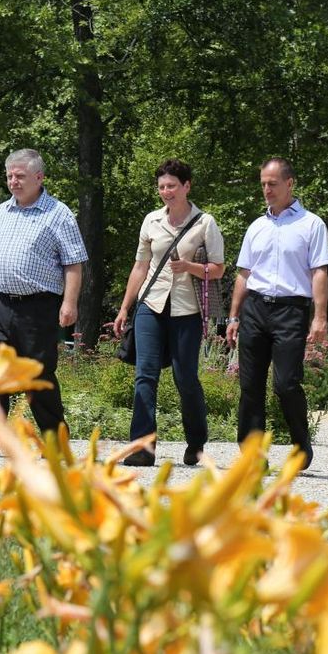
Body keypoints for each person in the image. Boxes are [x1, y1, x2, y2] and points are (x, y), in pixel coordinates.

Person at [0, 149, 88, 456]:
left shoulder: (58, 214)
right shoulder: (0, 213)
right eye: (9, 176)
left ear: (39, 177)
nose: (13, 182)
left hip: (38, 307)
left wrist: (69, 304)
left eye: (20, 176)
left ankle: (55, 441)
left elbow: (74, 264)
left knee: (37, 374)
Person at [112, 159, 225, 467]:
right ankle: (142, 448)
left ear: (187, 186)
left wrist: (189, 267)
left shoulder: (205, 223)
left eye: (172, 186)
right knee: (144, 375)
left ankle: (196, 440)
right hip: (150, 306)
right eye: (162, 186)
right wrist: (125, 308)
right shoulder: (151, 221)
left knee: (184, 377)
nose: (166, 192)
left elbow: (218, 269)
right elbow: (140, 267)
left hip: (187, 310)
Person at [225, 158, 328, 467]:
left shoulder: (311, 224)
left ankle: (301, 447)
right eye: (263, 184)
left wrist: (320, 316)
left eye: (272, 184)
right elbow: (244, 274)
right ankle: (252, 455)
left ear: (289, 183)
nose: (266, 190)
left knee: (285, 384)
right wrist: (233, 316)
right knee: (250, 384)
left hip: (291, 310)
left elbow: (319, 272)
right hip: (255, 307)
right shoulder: (257, 226)